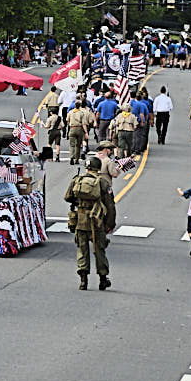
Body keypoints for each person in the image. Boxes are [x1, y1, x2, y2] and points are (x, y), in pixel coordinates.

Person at [64, 155, 113, 291]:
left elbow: (67, 197)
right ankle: (103, 279)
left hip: (80, 221)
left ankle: (83, 281)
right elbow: (110, 205)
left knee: (82, 250)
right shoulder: (103, 182)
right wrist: (110, 223)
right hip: (97, 221)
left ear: (86, 167)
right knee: (99, 251)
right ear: (98, 168)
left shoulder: (77, 180)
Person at [65, 98, 94, 165]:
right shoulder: (82, 113)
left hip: (72, 128)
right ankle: (76, 159)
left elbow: (67, 120)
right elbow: (84, 123)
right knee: (78, 145)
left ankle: (71, 157)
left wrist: (70, 124)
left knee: (72, 145)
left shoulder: (70, 112)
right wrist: (86, 132)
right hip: (79, 129)